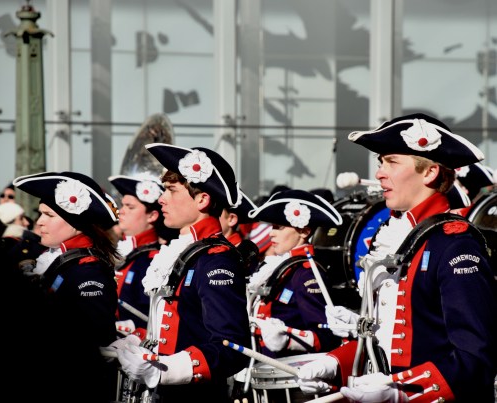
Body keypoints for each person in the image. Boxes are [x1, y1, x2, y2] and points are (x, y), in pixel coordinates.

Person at [296, 113, 497, 402]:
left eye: (391, 162)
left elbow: (475, 359)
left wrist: (403, 393)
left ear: (429, 173)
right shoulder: (397, 236)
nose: (379, 173)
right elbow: (389, 341)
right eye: (381, 162)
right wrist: (335, 364)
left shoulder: (455, 246)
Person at [106, 144, 251, 402]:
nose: (162, 199)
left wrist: (166, 370)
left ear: (202, 199)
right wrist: (138, 343)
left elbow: (231, 348)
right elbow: (179, 331)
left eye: (172, 190)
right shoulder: (187, 252)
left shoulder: (215, 259)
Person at [8, 171, 120, 402]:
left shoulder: (87, 271)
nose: (40, 221)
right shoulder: (63, 262)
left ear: (76, 223)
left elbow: (87, 344)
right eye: (40, 214)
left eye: (49, 215)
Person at [246, 188, 344, 361]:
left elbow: (325, 335)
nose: (271, 233)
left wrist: (288, 341)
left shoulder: (306, 274)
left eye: (280, 227)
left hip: (288, 369)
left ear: (304, 231)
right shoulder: (280, 267)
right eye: (272, 226)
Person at [108, 174, 179, 335]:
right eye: (122, 205)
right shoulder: (126, 251)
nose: (121, 211)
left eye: (130, 207)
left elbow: (149, 317)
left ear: (152, 216)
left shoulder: (153, 260)